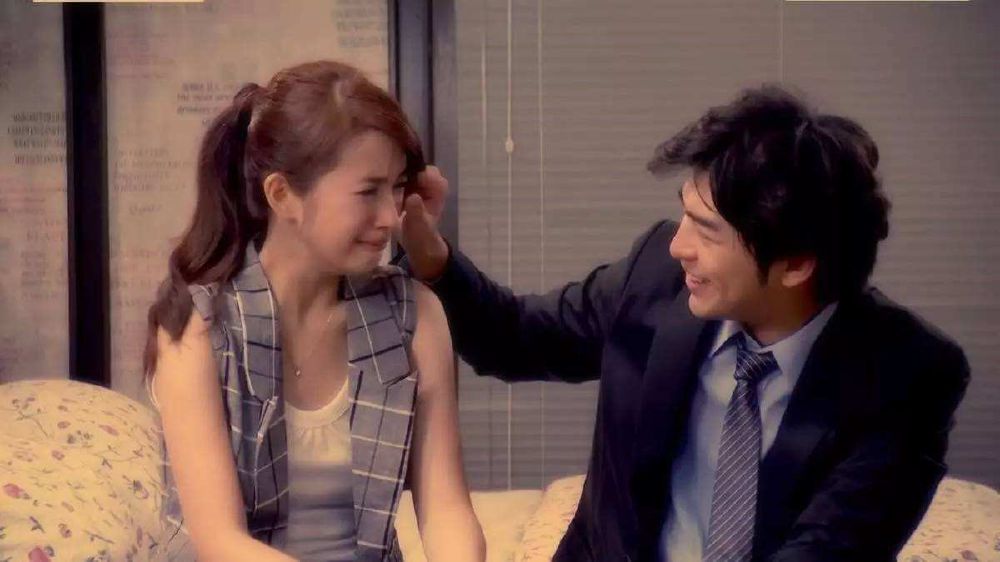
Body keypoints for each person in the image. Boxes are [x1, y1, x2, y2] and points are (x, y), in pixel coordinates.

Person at [398, 86, 970, 561]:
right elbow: (513, 338)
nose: (678, 246)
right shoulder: (656, 278)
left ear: (796, 264)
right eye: (684, 215)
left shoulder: (909, 377)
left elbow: (827, 550)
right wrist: (431, 257)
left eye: (708, 230)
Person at [144, 60, 485, 562]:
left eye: (396, 188)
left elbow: (446, 511)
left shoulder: (415, 316)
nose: (391, 217)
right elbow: (219, 542)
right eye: (368, 191)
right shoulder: (198, 327)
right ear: (282, 195)